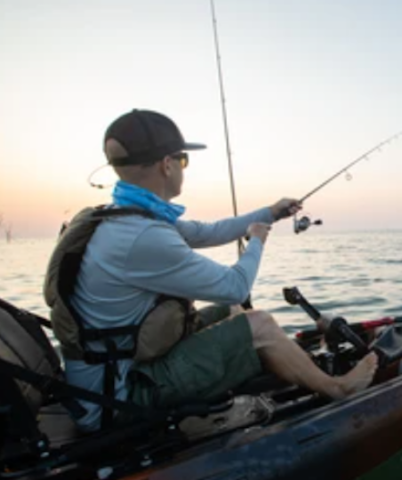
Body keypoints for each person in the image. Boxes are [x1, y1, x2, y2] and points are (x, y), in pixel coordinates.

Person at [54, 109, 377, 431]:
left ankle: (269, 365)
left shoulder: (120, 218)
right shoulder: (143, 236)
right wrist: (256, 241)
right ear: (167, 165)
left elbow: (208, 232)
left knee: (232, 311)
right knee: (259, 323)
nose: (183, 169)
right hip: (117, 399)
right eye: (182, 160)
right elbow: (235, 285)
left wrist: (271, 213)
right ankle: (338, 388)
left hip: (105, 379)